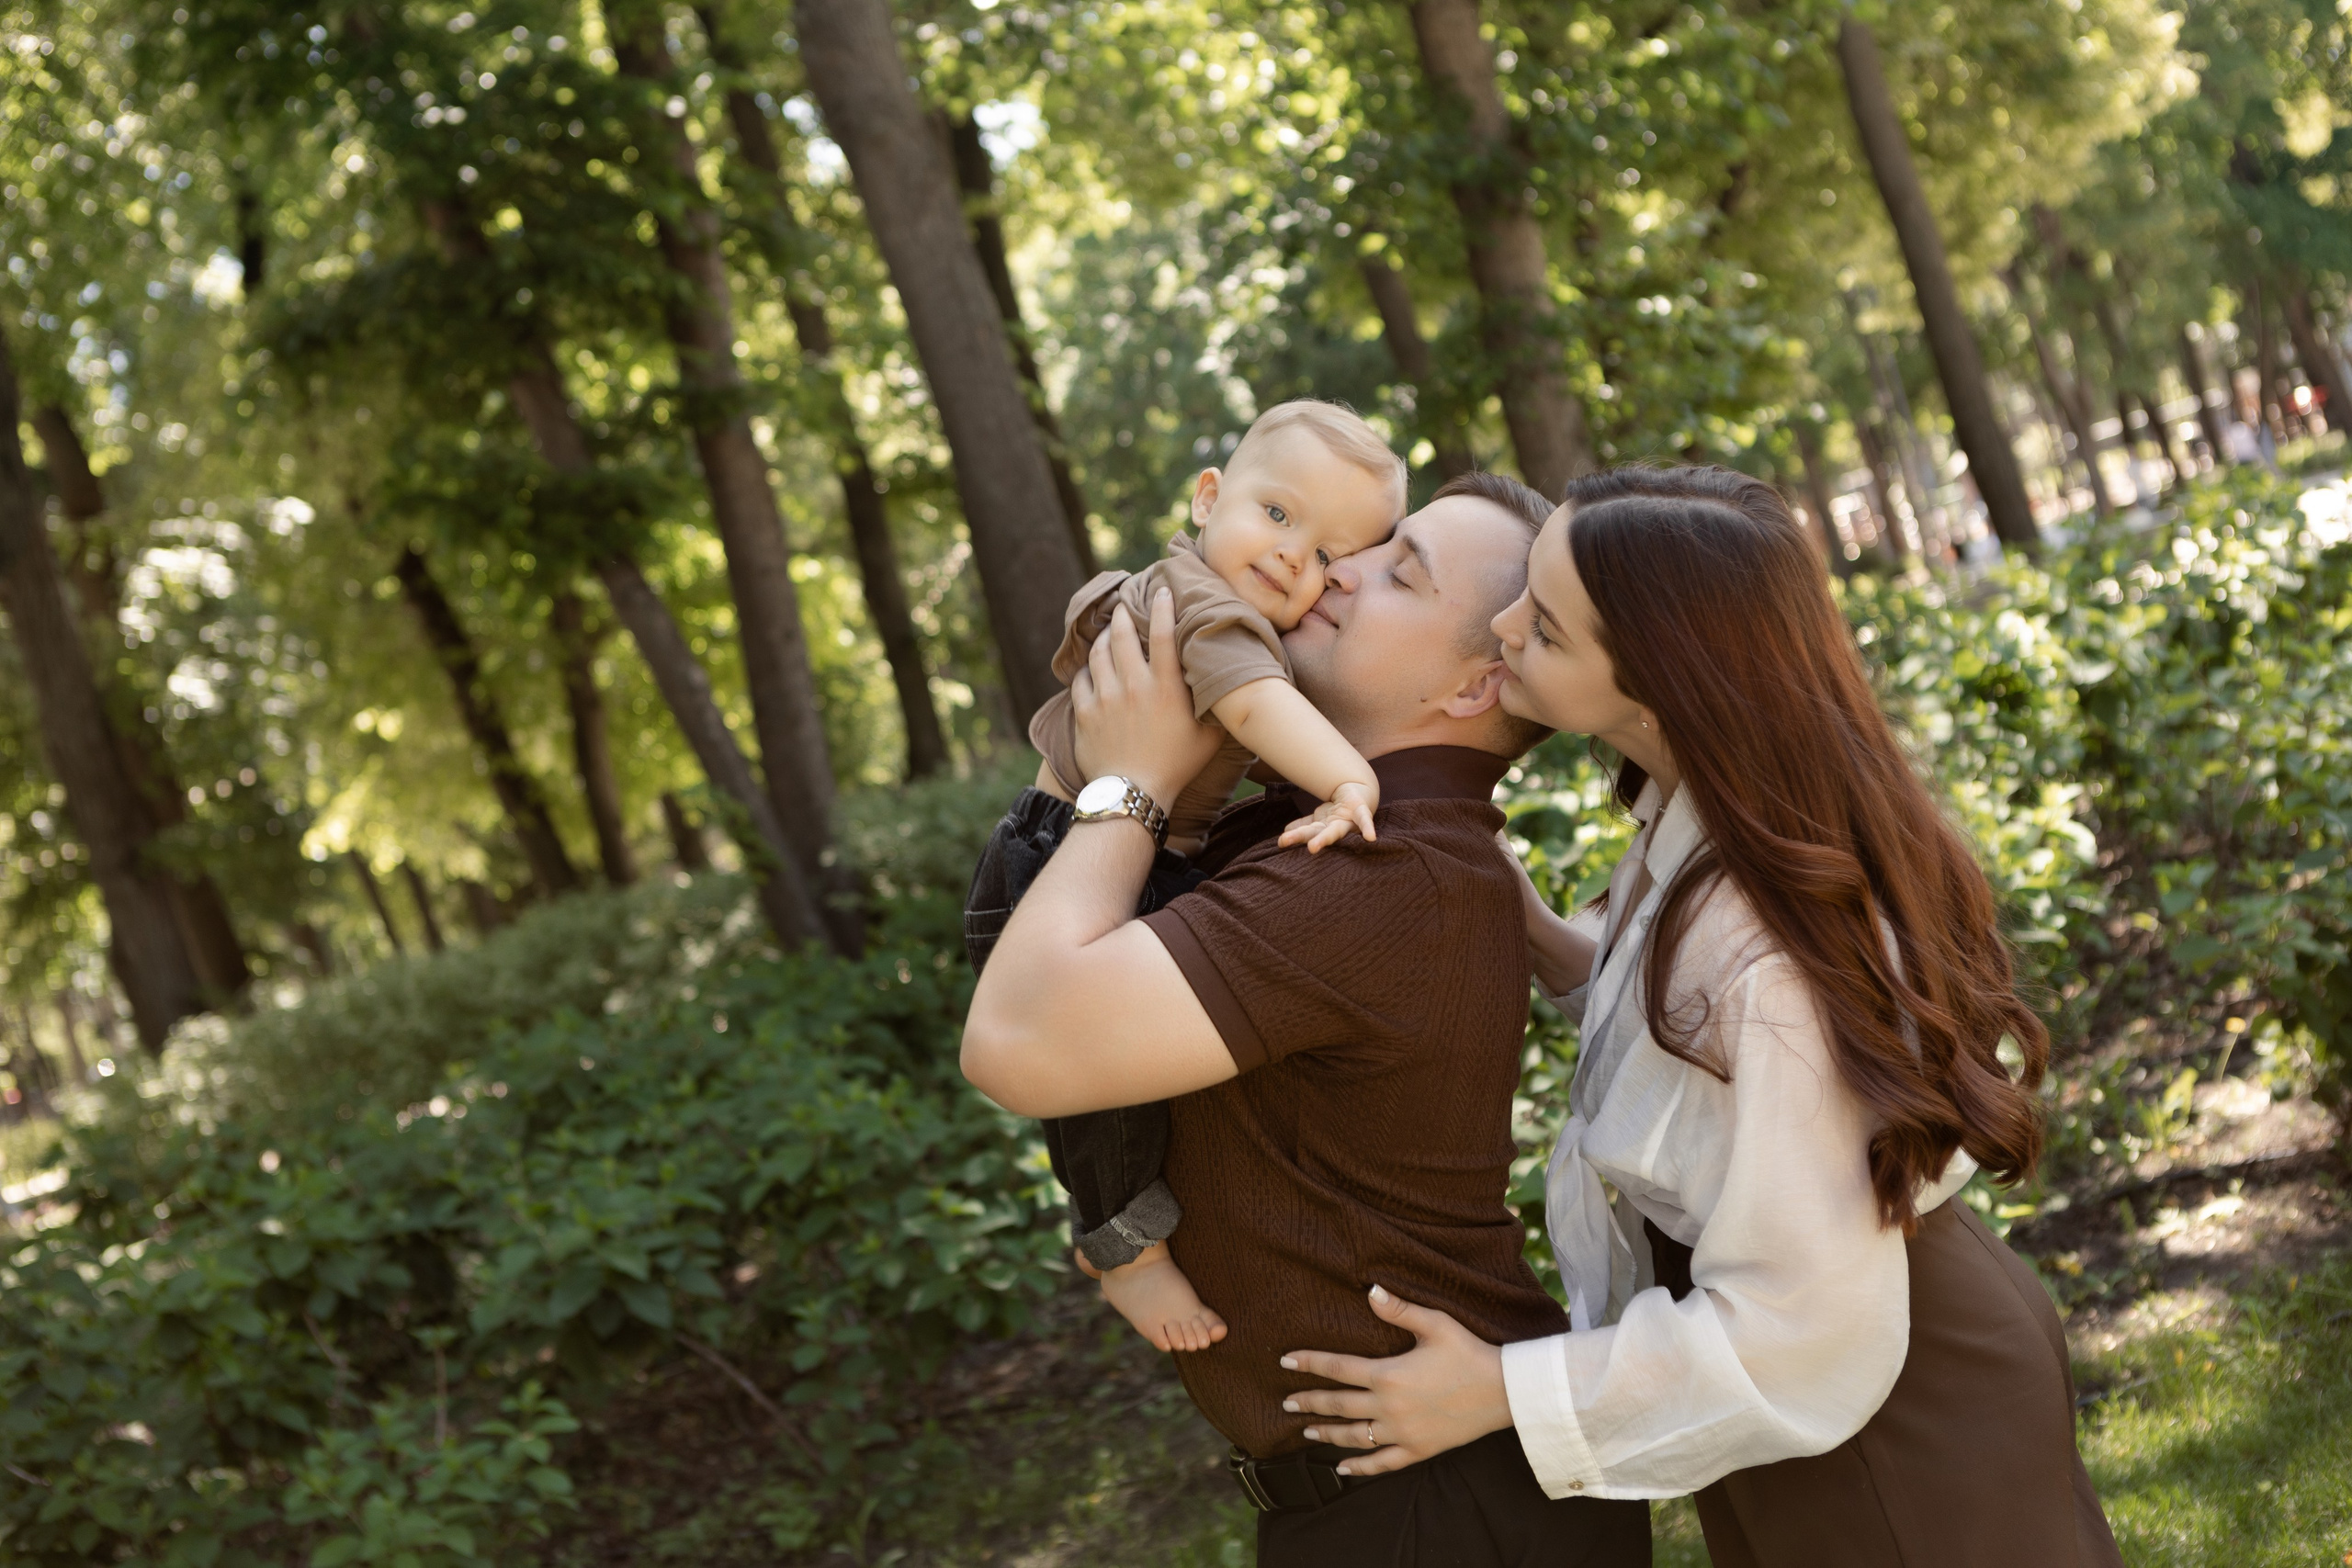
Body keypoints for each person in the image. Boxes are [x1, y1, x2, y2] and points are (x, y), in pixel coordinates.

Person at [1275, 466, 2125, 1567]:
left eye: (1549, 626)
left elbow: (1798, 1324)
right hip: (1834, 1373)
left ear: (1657, 693)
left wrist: (1498, 1393)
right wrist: (1535, 927)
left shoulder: (1767, 954)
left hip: (1875, 1396)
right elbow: (1681, 1051)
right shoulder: (1712, 824)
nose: (1502, 626)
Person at [961, 473, 1651, 1567]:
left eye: (1398, 570)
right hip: (1406, 1502)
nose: (1335, 569)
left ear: (1478, 683)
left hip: (1436, 1514)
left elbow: (1017, 1044)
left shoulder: (1380, 876)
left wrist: (1132, 786)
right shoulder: (1327, 834)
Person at [966, 400, 1403, 1355]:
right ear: (1209, 499)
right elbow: (1253, 708)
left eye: (1332, 556)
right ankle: (1119, 1248)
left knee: (1123, 1063)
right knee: (1102, 1079)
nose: (1296, 558)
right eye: (1278, 516)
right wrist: (1348, 776)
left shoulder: (1212, 602)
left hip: (1062, 842)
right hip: (1067, 850)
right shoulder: (1209, 609)